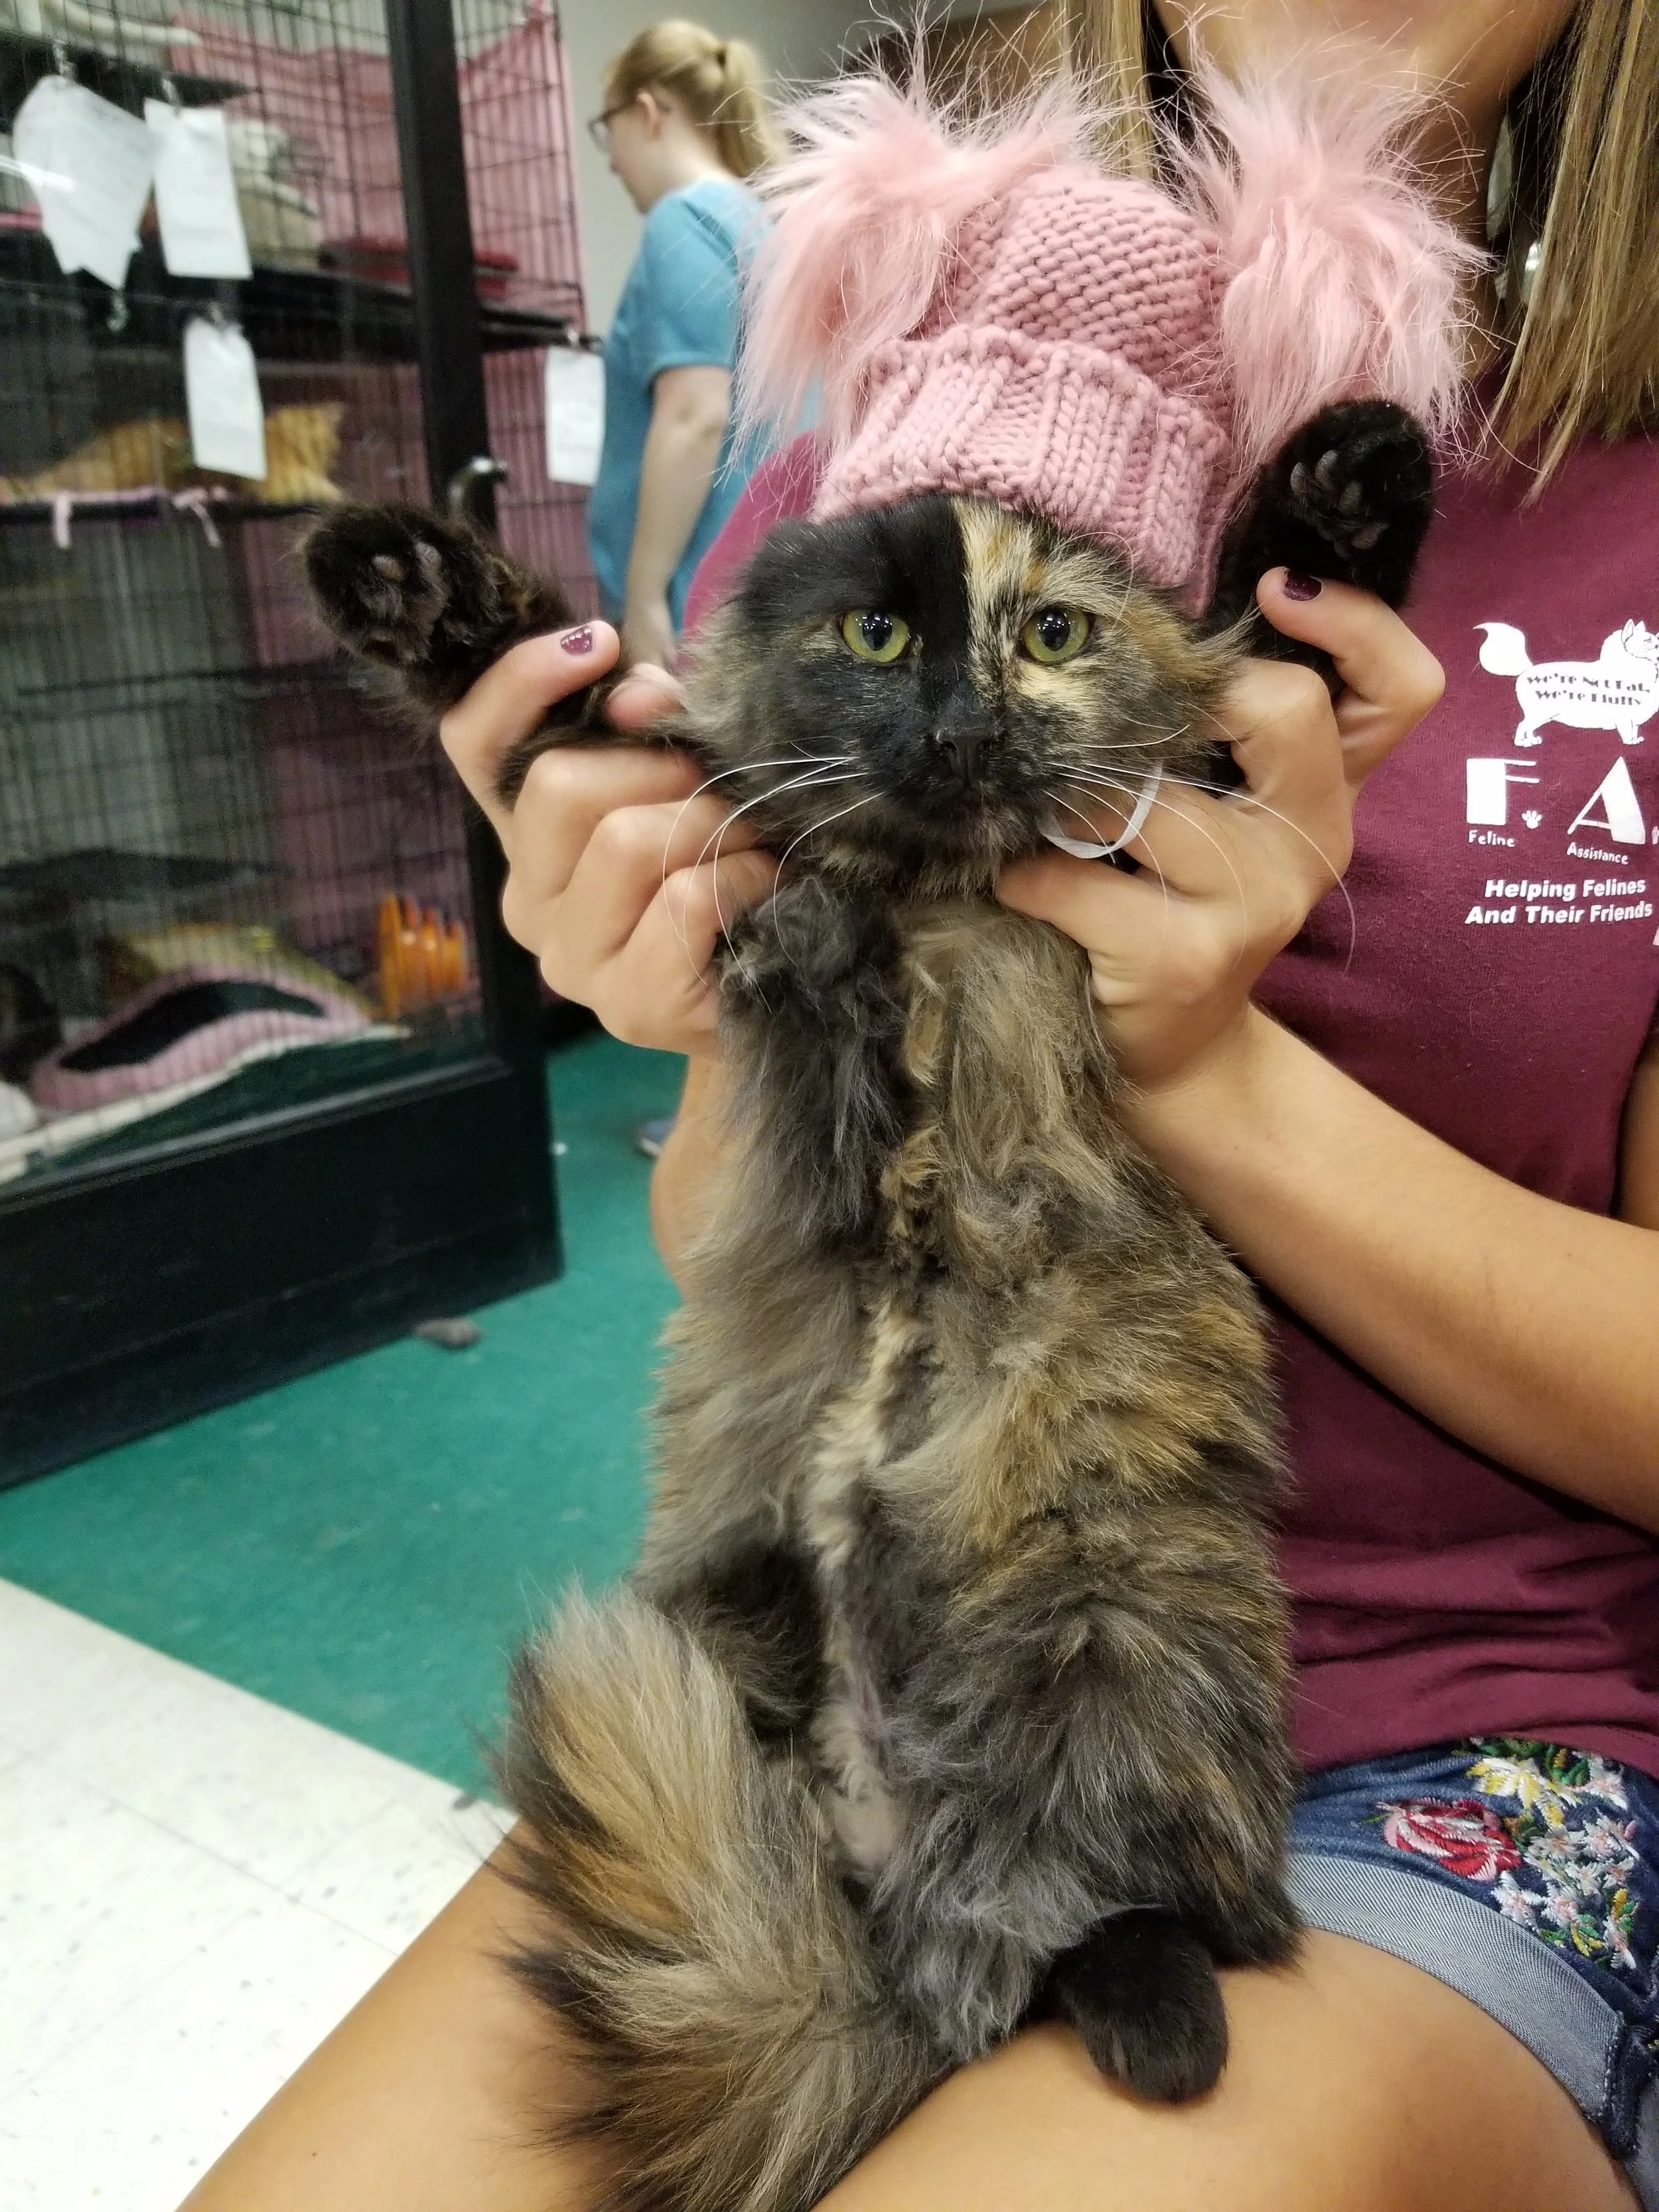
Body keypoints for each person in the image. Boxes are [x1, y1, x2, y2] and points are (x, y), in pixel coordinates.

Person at [183, 1, 1659, 2205]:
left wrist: (1206, 1065)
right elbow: (743, 1260)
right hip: (848, 1674)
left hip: (1465, 1729)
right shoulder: (863, 444)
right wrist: (704, 1016)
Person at [584, 19, 778, 677]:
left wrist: (643, 598)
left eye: (606, 130)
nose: (611, 161)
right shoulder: (766, 228)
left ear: (645, 112)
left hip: (698, 604)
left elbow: (697, 414)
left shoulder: (685, 219)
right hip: (764, 592)